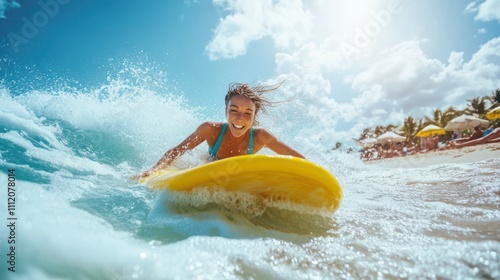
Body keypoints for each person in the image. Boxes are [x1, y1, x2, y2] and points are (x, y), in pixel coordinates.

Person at [133, 82, 304, 179]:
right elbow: (178, 151)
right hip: (210, 164)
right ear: (225, 111)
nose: (239, 118)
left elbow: (299, 160)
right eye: (234, 110)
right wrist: (154, 170)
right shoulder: (210, 130)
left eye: (247, 113)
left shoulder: (261, 137)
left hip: (240, 174)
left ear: (254, 117)